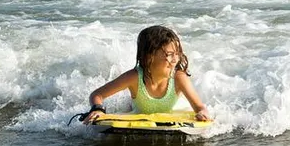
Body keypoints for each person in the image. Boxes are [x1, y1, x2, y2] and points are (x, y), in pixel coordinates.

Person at [81, 25, 210, 124]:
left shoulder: (178, 78)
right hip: (137, 111)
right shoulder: (134, 77)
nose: (175, 60)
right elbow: (97, 94)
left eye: (177, 54)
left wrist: (202, 113)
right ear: (149, 57)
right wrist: (97, 109)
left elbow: (199, 107)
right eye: (170, 54)